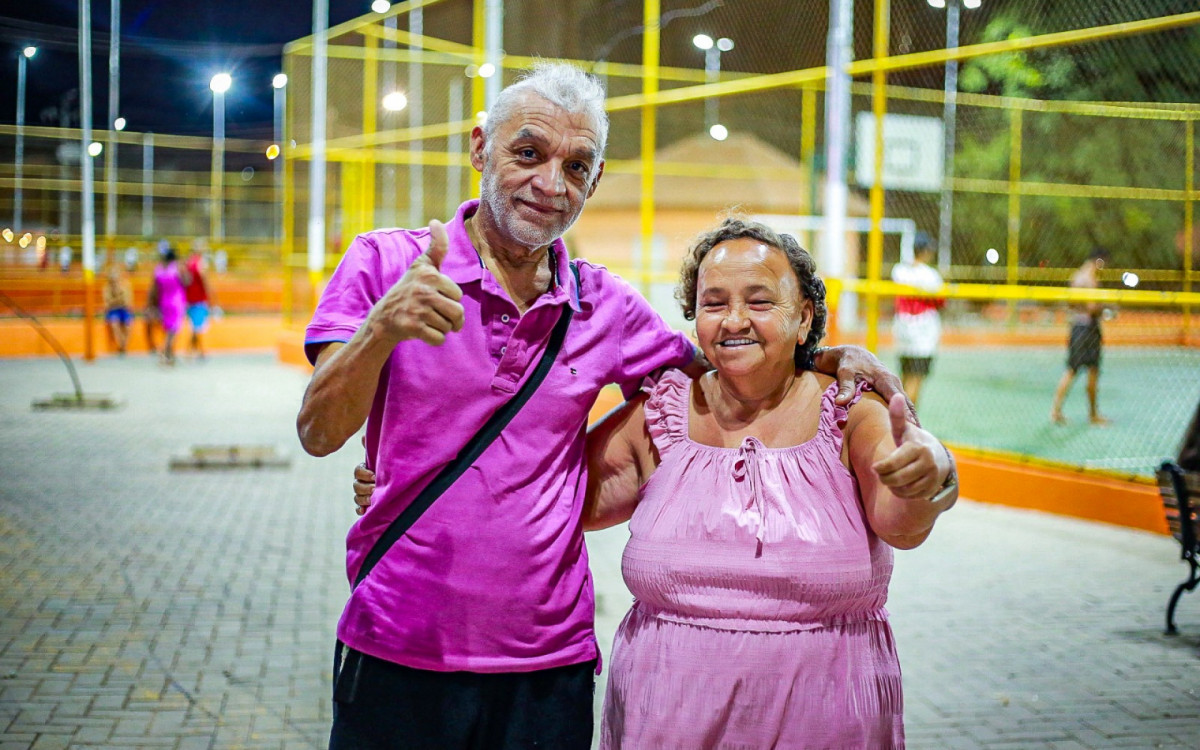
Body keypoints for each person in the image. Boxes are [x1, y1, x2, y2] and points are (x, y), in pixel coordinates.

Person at [299, 62, 905, 750]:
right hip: (397, 642)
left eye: (577, 166)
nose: (551, 184)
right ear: (478, 148)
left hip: (547, 664)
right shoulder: (386, 264)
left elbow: (723, 363)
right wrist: (383, 329)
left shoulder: (606, 305)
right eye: (527, 153)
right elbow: (318, 432)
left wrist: (818, 357)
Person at [354, 218, 958, 746]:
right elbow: (544, 494)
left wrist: (930, 480)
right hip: (665, 714)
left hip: (823, 713)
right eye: (714, 302)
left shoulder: (852, 409)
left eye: (760, 301)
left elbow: (902, 522)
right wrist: (410, 482)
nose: (735, 320)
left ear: (804, 317)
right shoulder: (662, 413)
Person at [1050, 248, 1110, 425]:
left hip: (1077, 326)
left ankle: (1057, 410)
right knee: (1091, 370)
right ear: (1099, 261)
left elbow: (1071, 303)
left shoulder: (1077, 276)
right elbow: (1092, 308)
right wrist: (1103, 308)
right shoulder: (1090, 278)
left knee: (1073, 369)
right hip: (1088, 328)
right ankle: (1093, 414)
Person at [890, 231, 945, 408]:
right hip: (923, 331)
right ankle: (907, 423)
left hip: (902, 327)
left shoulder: (899, 270)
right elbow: (940, 301)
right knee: (916, 379)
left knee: (905, 378)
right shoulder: (930, 275)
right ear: (926, 251)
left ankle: (898, 419)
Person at [151, 247, 189, 366]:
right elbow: (187, 281)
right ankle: (163, 353)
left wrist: (153, 304)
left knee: (168, 329)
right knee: (173, 330)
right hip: (176, 301)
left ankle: (170, 356)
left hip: (164, 301)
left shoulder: (159, 269)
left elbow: (155, 289)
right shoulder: (177, 267)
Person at [183, 249, 212, 359]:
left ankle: (199, 351)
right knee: (197, 327)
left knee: (195, 327)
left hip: (190, 300)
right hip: (199, 300)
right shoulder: (198, 266)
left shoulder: (187, 266)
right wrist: (210, 298)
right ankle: (189, 351)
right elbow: (205, 282)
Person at [102, 265, 134, 356]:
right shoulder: (106, 288)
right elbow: (107, 305)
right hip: (113, 311)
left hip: (124, 310)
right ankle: (122, 346)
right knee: (114, 324)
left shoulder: (126, 285)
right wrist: (119, 298)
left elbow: (127, 302)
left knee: (128, 325)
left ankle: (123, 346)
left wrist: (115, 299)